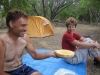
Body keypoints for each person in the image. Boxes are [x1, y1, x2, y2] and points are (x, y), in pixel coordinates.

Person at [0, 9, 56, 75]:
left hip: (22, 68)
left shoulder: (25, 38)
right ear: (11, 24)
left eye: (26, 25)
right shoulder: (2, 42)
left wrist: (51, 54)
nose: (26, 29)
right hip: (8, 72)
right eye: (23, 25)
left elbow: (35, 55)